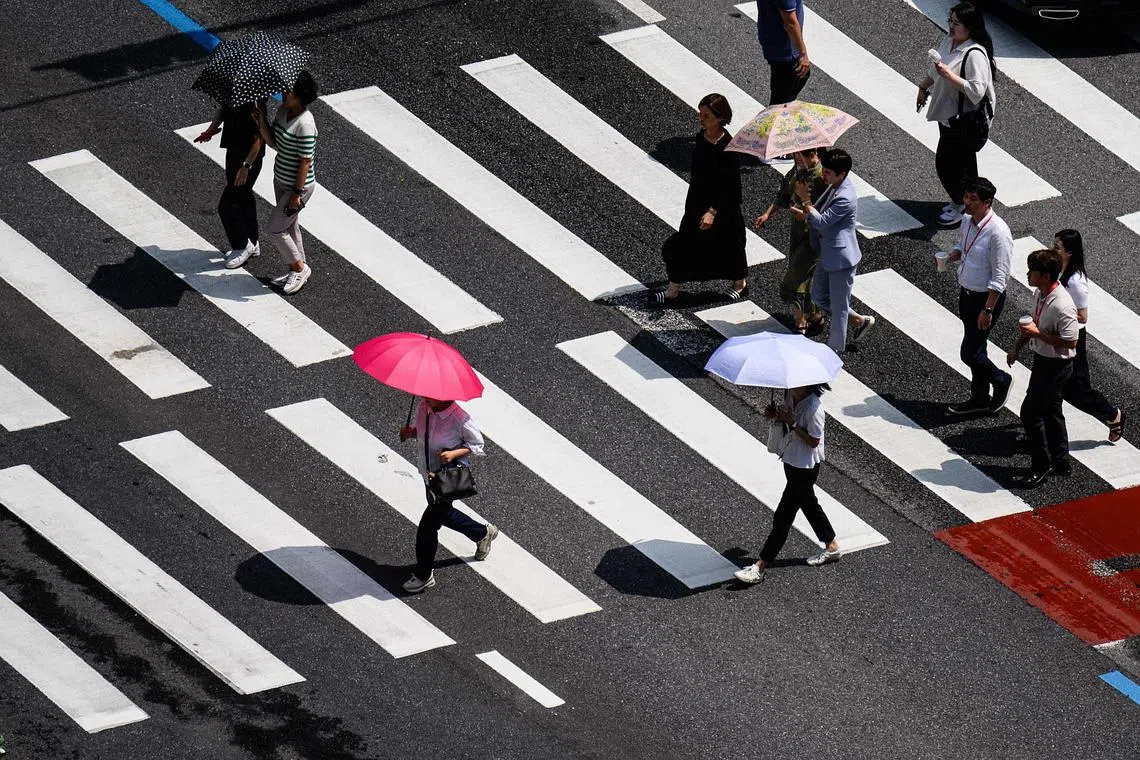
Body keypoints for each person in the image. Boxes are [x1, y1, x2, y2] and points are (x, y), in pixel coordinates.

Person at [734, 383, 839, 584]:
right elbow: (785, 422)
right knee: (808, 504)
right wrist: (776, 416)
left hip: (805, 468)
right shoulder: (790, 394)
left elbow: (814, 441)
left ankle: (760, 566)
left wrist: (793, 424)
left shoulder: (814, 409)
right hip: (791, 459)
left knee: (783, 516)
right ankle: (831, 544)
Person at [656, 94, 748, 305]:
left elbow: (731, 187)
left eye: (706, 115)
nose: (701, 118)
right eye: (700, 113)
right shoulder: (701, 137)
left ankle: (740, 285)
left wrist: (713, 212)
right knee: (685, 243)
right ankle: (673, 289)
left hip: (722, 209)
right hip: (697, 202)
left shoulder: (728, 147)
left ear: (719, 117)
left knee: (729, 245)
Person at [399, 397, 498, 593]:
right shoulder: (424, 408)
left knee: (427, 527)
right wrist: (411, 433)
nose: (425, 397)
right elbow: (423, 433)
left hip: (447, 477)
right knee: (443, 514)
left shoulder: (459, 418)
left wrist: (454, 454)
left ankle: (424, 575)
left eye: (430, 394)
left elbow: (477, 444)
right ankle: (482, 533)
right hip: (428, 473)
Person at [916, 2, 996, 228]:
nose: (951, 26)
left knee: (949, 164)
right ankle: (969, 202)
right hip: (948, 116)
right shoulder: (948, 41)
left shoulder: (975, 54)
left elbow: (977, 90)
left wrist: (950, 76)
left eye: (957, 23)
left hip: (964, 121)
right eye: (950, 21)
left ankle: (965, 206)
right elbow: (935, 69)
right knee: (960, 164)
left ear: (969, 28)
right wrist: (923, 87)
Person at [1006, 249, 1080, 488]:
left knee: (1031, 413)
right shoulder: (1041, 294)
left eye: (1032, 272)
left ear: (1046, 276)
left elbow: (1071, 342)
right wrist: (1018, 347)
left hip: (1056, 367)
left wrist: (1039, 335)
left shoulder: (1063, 306)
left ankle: (1041, 464)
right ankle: (1060, 460)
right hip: (1043, 361)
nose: (1028, 275)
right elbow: (1035, 326)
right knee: (1052, 410)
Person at [791, 148, 875, 353]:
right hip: (827, 253)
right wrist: (806, 211)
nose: (823, 174)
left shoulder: (846, 197)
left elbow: (822, 222)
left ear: (842, 174)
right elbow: (819, 213)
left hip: (841, 259)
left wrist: (806, 201)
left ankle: (834, 350)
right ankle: (858, 320)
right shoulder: (834, 185)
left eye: (828, 172)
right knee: (819, 297)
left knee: (838, 309)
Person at [946, 177, 1012, 415]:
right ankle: (980, 396)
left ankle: (1001, 379)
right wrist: (954, 254)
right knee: (977, 348)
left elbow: (1000, 276)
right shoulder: (967, 221)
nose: (967, 203)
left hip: (984, 300)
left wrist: (988, 310)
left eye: (973, 199)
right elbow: (963, 246)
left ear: (988, 202)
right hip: (967, 293)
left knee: (970, 353)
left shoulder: (998, 233)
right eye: (966, 197)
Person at [1053, 229, 1126, 441]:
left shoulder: (1075, 281)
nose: (1053, 250)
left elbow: (1083, 316)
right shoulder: (1059, 269)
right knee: (1055, 386)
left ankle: (1113, 415)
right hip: (1058, 333)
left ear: (1070, 252)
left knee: (1077, 389)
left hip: (1073, 338)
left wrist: (1058, 308)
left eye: (1057, 247)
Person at [252, 71, 319, 295]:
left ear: (300, 95)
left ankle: (298, 267)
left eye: (288, 91)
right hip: (280, 179)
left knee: (275, 229)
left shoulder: (306, 125)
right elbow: (275, 144)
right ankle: (300, 268)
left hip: (297, 187)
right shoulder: (283, 111)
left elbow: (305, 162)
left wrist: (296, 194)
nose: (283, 94)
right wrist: (262, 120)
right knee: (290, 225)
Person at [755, 148, 827, 333]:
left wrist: (804, 210)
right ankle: (812, 315)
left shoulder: (822, 177)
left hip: (814, 236)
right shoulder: (798, 171)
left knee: (794, 280)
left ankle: (802, 318)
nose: (797, 161)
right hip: (797, 231)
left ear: (813, 154)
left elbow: (825, 213)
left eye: (799, 157)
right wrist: (767, 214)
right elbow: (784, 195)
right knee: (803, 275)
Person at [193, 99, 268, 267]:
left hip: (249, 158)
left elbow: (259, 137)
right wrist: (211, 130)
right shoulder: (236, 93)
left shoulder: (255, 103)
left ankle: (242, 245)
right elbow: (223, 109)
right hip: (234, 150)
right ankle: (253, 241)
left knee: (227, 205)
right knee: (244, 197)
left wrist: (245, 166)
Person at [755, 0, 811, 105]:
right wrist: (803, 54)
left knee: (798, 79)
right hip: (785, 50)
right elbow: (790, 23)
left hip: (775, 43)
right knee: (780, 103)